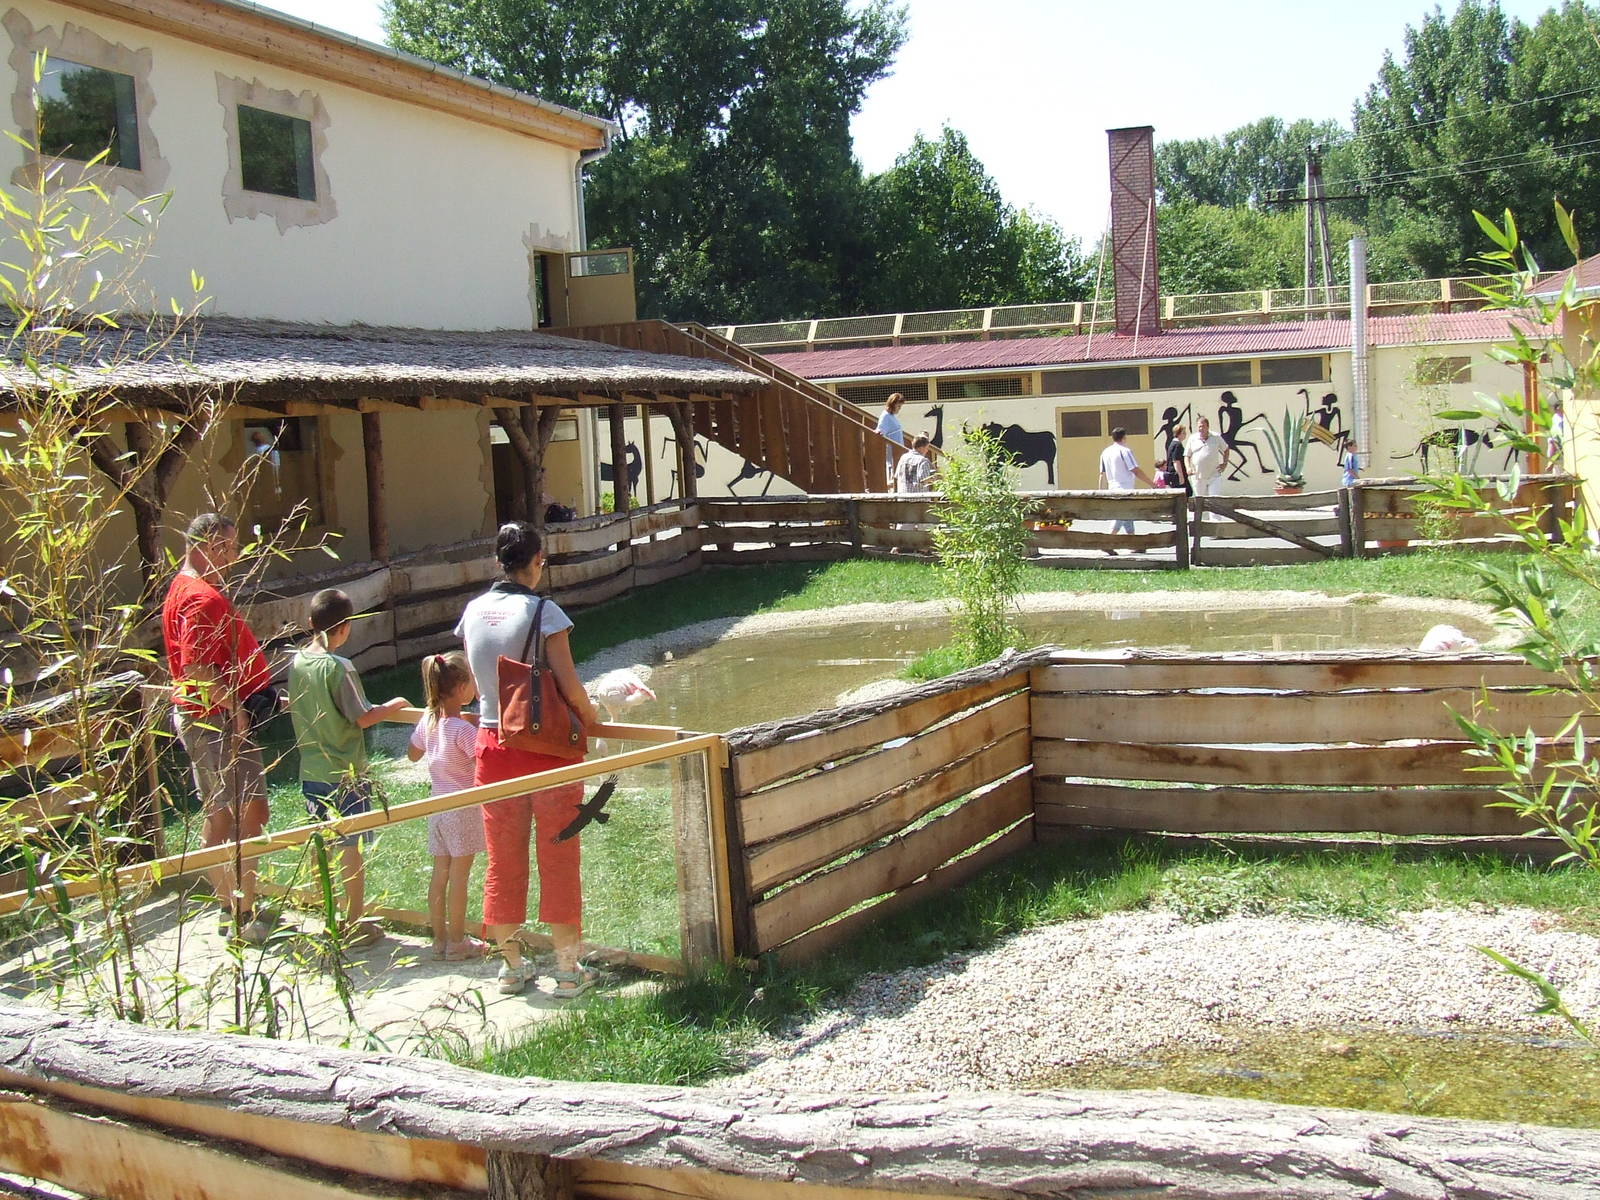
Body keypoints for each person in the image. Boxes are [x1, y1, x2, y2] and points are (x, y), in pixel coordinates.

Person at [456, 522, 603, 998]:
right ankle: (566, 970)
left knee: (503, 857)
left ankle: (511, 966)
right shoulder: (545, 612)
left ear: (498, 561)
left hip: (491, 746)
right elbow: (569, 683)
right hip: (544, 750)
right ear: (536, 561)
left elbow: (482, 684)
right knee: (559, 853)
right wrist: (590, 716)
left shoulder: (472, 611)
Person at [163, 513, 277, 943]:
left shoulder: (184, 587)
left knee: (239, 812)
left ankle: (236, 905)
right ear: (208, 545)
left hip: (210, 716)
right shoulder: (200, 598)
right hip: (213, 720)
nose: (233, 556)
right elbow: (195, 670)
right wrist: (238, 709)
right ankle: (240, 914)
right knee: (234, 813)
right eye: (227, 547)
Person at [287, 588, 409, 949]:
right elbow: (363, 717)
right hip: (346, 772)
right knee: (350, 846)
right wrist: (394, 704)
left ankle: (325, 914)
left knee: (320, 845)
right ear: (345, 628)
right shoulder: (338, 667)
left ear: (310, 624)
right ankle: (354, 922)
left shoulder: (297, 663)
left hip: (312, 770)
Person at [407, 651, 487, 962]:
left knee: (440, 873)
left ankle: (439, 939)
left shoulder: (429, 722)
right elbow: (483, 760)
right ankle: (457, 942)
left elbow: (413, 754)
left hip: (437, 807)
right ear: (462, 688)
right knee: (460, 876)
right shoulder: (463, 730)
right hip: (462, 808)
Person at [1097, 427, 1153, 553]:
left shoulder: (1105, 452)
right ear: (1124, 437)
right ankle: (1108, 540)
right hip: (1125, 487)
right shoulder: (1125, 451)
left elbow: (1102, 474)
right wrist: (1152, 483)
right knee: (1122, 514)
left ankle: (1133, 543)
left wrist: (1100, 491)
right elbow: (1135, 470)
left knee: (1128, 515)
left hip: (1112, 487)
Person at [875, 392, 911, 488]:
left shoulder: (891, 416)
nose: (899, 409)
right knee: (892, 470)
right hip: (892, 450)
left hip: (898, 449)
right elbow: (880, 430)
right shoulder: (885, 416)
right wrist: (879, 432)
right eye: (898, 406)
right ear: (893, 404)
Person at [1163, 424, 1191, 496]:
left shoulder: (1172, 444)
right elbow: (1176, 461)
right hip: (1176, 475)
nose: (1185, 434)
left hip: (1173, 475)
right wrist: (1181, 476)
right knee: (1187, 493)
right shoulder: (1177, 445)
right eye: (1183, 433)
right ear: (1178, 434)